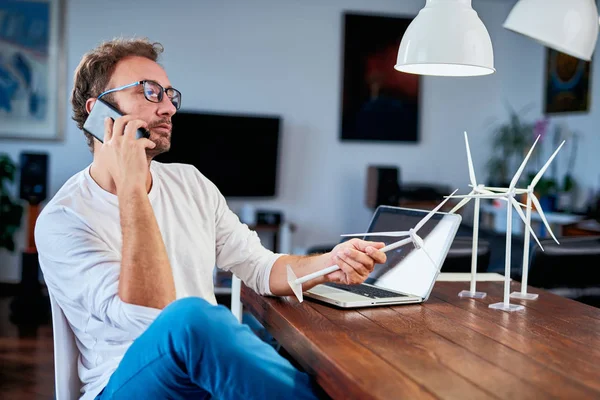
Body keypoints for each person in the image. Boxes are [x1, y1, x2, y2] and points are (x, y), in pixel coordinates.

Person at [35, 37, 387, 400]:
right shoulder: (62, 219)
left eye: (170, 95)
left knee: (230, 332)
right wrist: (132, 188)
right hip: (122, 384)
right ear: (99, 112)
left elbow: (259, 267)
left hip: (197, 373)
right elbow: (148, 316)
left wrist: (330, 263)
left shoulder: (191, 183)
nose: (169, 107)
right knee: (191, 319)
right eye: (150, 92)